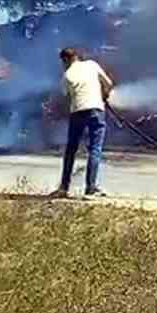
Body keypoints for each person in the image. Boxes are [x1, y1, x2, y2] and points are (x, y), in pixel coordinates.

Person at [49, 47, 114, 199]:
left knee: (71, 150)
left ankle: (64, 188)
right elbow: (108, 84)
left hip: (77, 112)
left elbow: (66, 96)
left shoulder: (67, 76)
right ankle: (91, 189)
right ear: (77, 56)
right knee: (95, 149)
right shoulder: (92, 65)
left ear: (65, 60)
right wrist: (104, 95)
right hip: (96, 111)